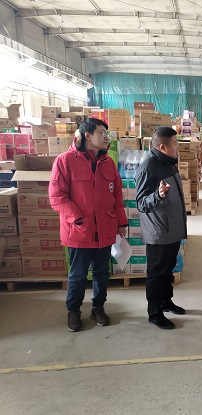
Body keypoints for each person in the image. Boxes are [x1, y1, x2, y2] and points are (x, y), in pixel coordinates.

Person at [49, 118, 128, 332]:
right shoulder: (65, 161)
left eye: (106, 133)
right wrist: (78, 218)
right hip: (79, 231)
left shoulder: (108, 162)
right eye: (102, 132)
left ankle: (98, 308)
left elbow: (117, 196)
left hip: (105, 230)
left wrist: (121, 222)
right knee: (77, 275)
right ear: (87, 135)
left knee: (102, 273)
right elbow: (57, 197)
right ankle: (73, 311)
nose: (106, 137)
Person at [135, 126, 187, 330]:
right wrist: (158, 195)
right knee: (157, 274)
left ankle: (166, 301)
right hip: (159, 231)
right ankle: (155, 313)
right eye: (175, 144)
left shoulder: (169, 163)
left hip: (172, 229)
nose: (178, 147)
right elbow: (142, 203)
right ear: (163, 146)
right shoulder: (148, 167)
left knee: (167, 270)